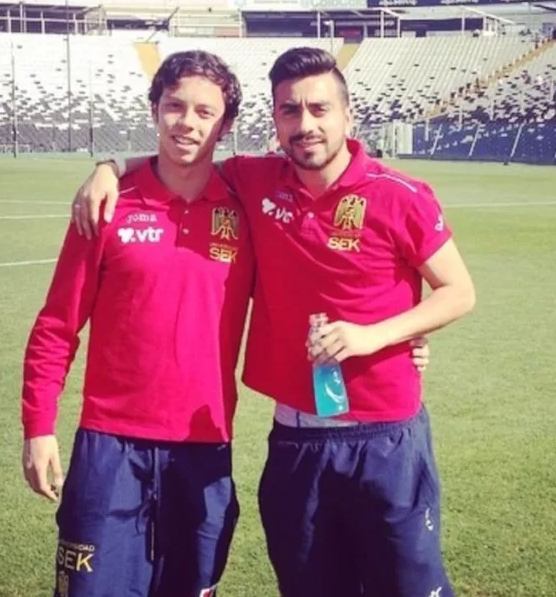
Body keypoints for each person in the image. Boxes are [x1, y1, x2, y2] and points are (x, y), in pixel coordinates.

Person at [71, 47, 476, 596]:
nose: (305, 124)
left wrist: (375, 336)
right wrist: (110, 166)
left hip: (384, 436)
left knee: (405, 587)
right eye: (289, 111)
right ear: (276, 120)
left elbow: (459, 291)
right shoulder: (255, 182)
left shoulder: (399, 195)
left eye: (319, 108)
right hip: (296, 438)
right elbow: (184, 158)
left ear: (347, 115)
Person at [21, 50, 255, 597]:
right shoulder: (106, 205)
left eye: (204, 111)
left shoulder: (246, 209)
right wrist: (38, 426)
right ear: (155, 110)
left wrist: (399, 340)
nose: (187, 122)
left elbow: (312, 282)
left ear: (225, 124)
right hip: (109, 447)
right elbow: (57, 324)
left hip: (203, 447)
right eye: (175, 106)